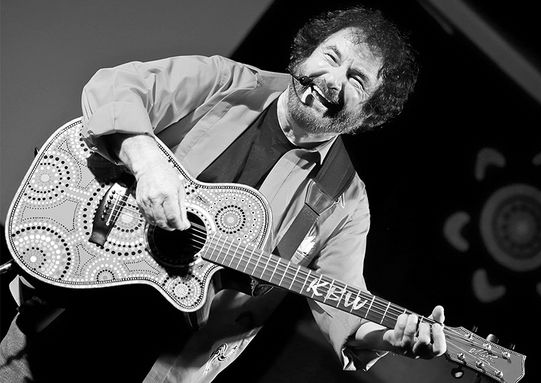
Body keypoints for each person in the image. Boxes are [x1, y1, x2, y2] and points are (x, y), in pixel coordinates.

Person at [0, 6, 446, 382]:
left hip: (155, 364)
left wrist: (389, 336)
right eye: (329, 57)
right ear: (305, 53)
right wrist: (148, 162)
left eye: (356, 80)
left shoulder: (345, 202)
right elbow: (118, 86)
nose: (332, 79)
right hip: (67, 297)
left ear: (368, 116)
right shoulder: (227, 82)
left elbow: (345, 300)